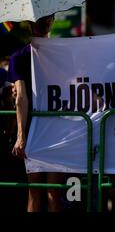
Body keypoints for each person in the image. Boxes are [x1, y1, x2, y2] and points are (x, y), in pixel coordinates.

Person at [8, 15, 65, 212]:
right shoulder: (19, 57)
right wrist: (21, 137)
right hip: (36, 130)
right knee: (36, 192)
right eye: (42, 18)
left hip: (56, 130)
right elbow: (21, 98)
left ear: (53, 21)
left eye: (49, 17)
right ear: (30, 22)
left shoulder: (62, 54)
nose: (46, 21)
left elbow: (77, 85)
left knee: (52, 193)